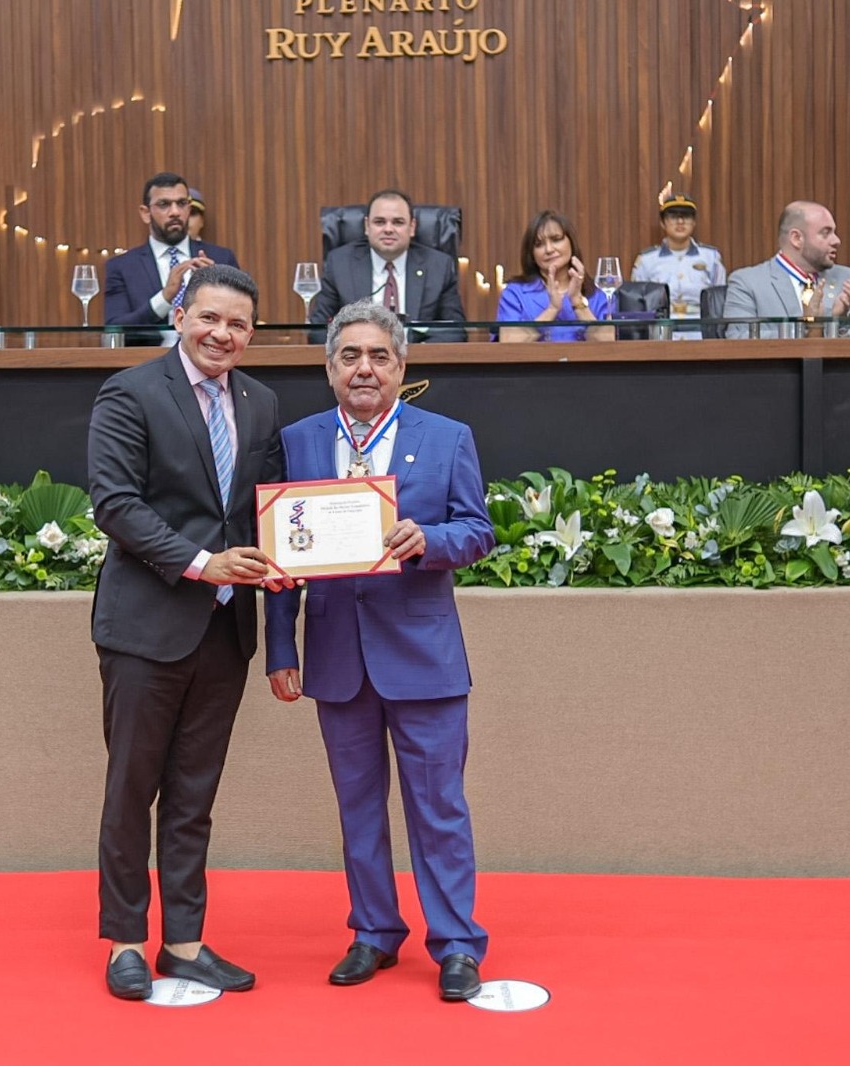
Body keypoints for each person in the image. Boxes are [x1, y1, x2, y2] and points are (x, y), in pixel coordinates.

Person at [265, 298, 494, 1001]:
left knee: (438, 808)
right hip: (336, 657)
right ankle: (373, 931)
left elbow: (478, 531)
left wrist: (431, 540)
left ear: (401, 367)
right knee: (357, 808)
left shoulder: (448, 437)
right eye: (350, 356)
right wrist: (280, 646)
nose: (364, 369)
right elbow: (280, 555)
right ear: (329, 367)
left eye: (379, 356)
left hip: (423, 658)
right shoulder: (298, 440)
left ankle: (456, 943)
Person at [87, 263, 284, 1000]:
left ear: (252, 334)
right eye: (209, 318)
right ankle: (125, 943)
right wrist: (204, 565)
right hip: (147, 626)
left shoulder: (260, 402)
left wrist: (295, 551)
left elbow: (267, 507)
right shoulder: (130, 392)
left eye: (237, 324)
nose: (221, 334)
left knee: (194, 795)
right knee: (131, 789)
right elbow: (115, 504)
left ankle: (184, 942)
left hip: (225, 632)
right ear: (179, 317)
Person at [309, 188, 467, 343]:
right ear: (367, 226)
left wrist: (417, 353)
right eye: (379, 222)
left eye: (398, 222)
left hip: (418, 357)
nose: (388, 229)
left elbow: (455, 331)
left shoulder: (439, 266)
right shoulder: (340, 264)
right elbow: (318, 331)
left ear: (412, 227)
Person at [103, 172, 240, 347]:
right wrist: (165, 298)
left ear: (188, 208)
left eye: (181, 203)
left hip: (209, 356)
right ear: (146, 213)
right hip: (148, 360)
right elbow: (114, 330)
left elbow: (245, 320)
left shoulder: (222, 258)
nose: (175, 212)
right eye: (164, 204)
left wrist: (215, 291)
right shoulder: (122, 267)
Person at [722, 201, 850, 339]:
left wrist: (839, 324)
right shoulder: (747, 282)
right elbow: (738, 338)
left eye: (834, 232)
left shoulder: (848, 278)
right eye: (826, 233)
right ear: (796, 238)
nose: (836, 241)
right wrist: (807, 328)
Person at [497, 210, 614, 342]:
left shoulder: (600, 293)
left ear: (571, 243)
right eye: (539, 244)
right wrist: (552, 309)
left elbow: (609, 343)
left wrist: (577, 303)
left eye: (556, 239)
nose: (549, 249)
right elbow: (508, 342)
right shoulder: (514, 293)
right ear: (532, 254)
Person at [631, 193, 727, 339]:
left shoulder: (711, 257)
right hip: (660, 333)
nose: (680, 221)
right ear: (663, 223)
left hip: (702, 333)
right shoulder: (646, 260)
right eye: (673, 216)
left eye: (686, 216)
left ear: (694, 222)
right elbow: (637, 305)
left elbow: (719, 301)